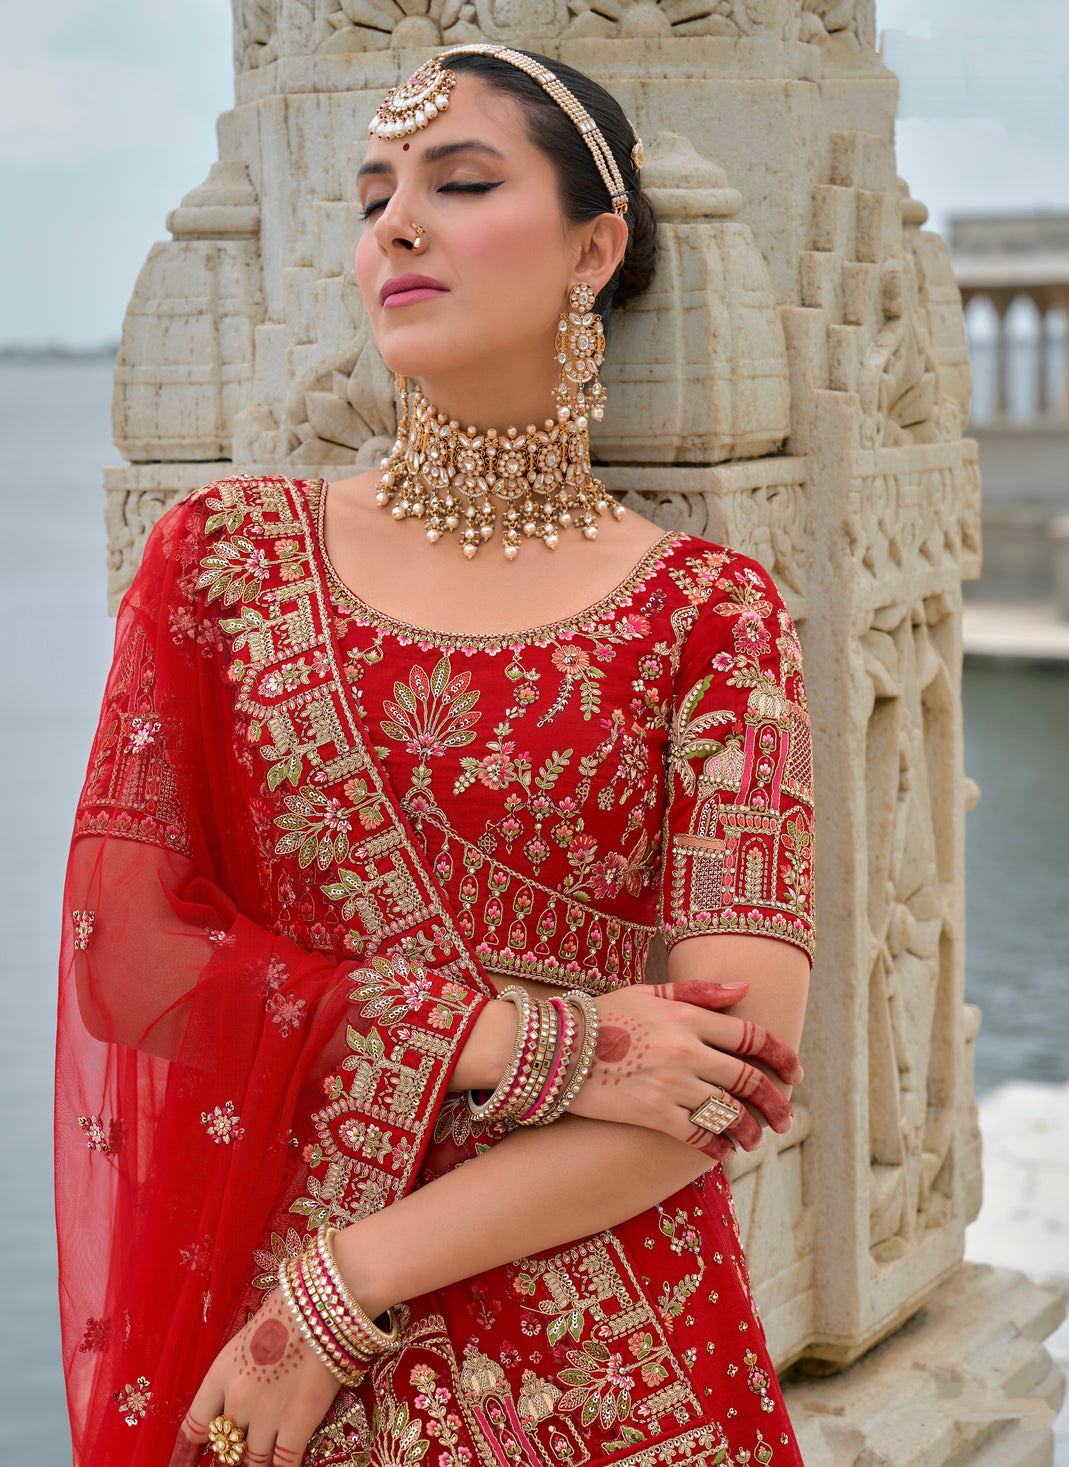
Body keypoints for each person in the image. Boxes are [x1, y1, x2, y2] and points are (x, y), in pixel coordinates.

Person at [55, 44, 815, 1467]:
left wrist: (346, 1289)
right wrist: (540, 1043)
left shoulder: (710, 614)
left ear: (594, 248)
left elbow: (725, 1073)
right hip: (266, 1350)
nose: (395, 225)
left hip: (612, 1358)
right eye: (372, 196)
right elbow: (131, 960)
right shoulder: (224, 563)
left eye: (461, 183)